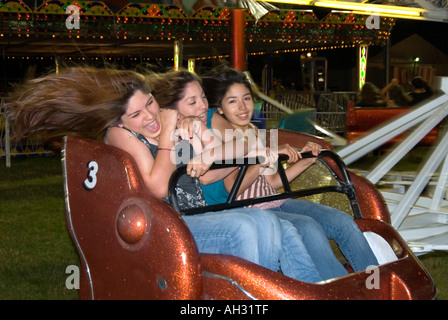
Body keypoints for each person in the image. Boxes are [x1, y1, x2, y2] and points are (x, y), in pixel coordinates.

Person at [5, 65, 326, 283]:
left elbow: (216, 160)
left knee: (273, 225)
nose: (148, 116)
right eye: (136, 113)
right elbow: (159, 185)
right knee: (245, 226)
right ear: (120, 119)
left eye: (150, 103)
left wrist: (224, 150)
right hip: (163, 226)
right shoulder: (120, 134)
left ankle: (312, 290)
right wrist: (171, 130)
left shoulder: (171, 124)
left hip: (192, 213)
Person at [148, 68, 356, 281]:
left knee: (329, 221)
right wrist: (255, 157)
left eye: (203, 97)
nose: (202, 105)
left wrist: (294, 159)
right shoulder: (184, 133)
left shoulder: (224, 127)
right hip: (225, 207)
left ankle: (333, 288)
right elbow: (209, 178)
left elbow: (248, 157)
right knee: (293, 226)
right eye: (192, 102)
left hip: (254, 202)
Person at [200, 67, 379, 279]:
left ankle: (376, 284)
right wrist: (259, 161)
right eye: (232, 101)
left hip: (276, 200)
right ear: (219, 109)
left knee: (341, 220)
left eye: (246, 98)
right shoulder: (227, 139)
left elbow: (271, 183)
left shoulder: (253, 130)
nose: (242, 107)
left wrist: (305, 161)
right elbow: (233, 189)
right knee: (308, 227)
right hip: (249, 209)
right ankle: (337, 289)